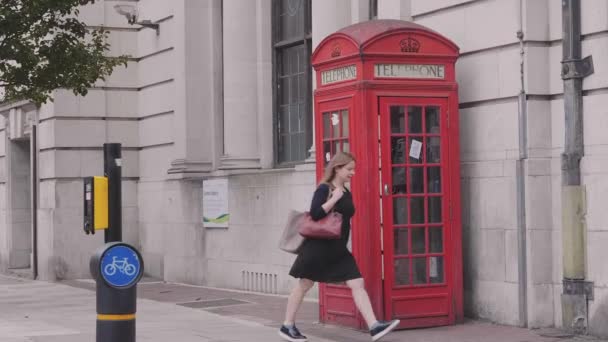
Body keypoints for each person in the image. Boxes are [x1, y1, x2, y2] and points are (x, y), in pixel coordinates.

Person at [279, 151, 400, 342]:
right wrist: (334, 199)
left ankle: (374, 326)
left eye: (354, 169)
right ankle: (287, 325)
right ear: (337, 168)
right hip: (318, 248)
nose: (353, 173)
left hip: (337, 249)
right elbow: (316, 214)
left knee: (357, 282)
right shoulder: (324, 189)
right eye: (349, 169)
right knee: (304, 285)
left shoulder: (345, 190)